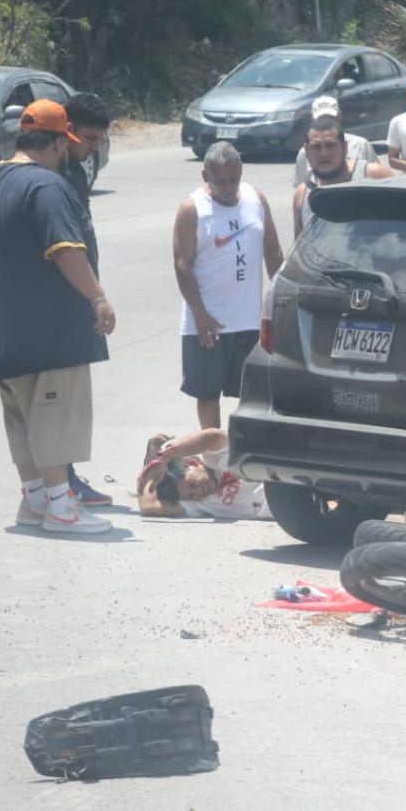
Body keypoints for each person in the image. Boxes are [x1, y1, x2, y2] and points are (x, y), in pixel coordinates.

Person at [0, 99, 117, 535]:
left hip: (1, 332)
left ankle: (34, 500)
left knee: (21, 418)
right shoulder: (46, 186)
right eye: (65, 143)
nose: (67, 152)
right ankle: (62, 507)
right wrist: (97, 297)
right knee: (54, 414)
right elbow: (66, 249)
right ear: (55, 143)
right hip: (48, 334)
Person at [172, 141, 283, 430]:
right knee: (208, 395)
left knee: (253, 393)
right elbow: (182, 266)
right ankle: (213, 454)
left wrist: (282, 303)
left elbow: (273, 253)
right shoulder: (192, 209)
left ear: (241, 170)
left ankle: (244, 449)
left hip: (250, 320)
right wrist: (200, 315)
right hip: (208, 322)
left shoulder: (255, 198)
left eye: (233, 179)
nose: (228, 187)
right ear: (205, 175)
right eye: (219, 181)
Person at [62, 92, 113, 507]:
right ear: (68, 131)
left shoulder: (76, 172)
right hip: (63, 299)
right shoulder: (52, 177)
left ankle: (61, 478)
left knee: (73, 395)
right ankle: (60, 482)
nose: (94, 148)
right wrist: (95, 296)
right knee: (61, 397)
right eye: (90, 138)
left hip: (79, 296)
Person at [292, 116, 392, 239]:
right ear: (306, 151)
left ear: (344, 148)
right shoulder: (302, 195)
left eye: (330, 145)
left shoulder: (375, 177)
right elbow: (300, 246)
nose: (324, 154)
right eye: (316, 147)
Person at [137, 429, 271, 520]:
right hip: (279, 505)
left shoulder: (216, 458)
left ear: (192, 463)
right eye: (191, 496)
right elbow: (148, 507)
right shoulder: (201, 504)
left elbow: (213, 436)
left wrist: (163, 458)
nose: (198, 492)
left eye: (192, 484)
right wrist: (150, 477)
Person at [292, 95, 376, 187]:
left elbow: (379, 181)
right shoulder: (304, 153)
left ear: (339, 117)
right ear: (312, 120)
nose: (324, 153)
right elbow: (301, 185)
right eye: (321, 119)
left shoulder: (360, 144)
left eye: (331, 118)